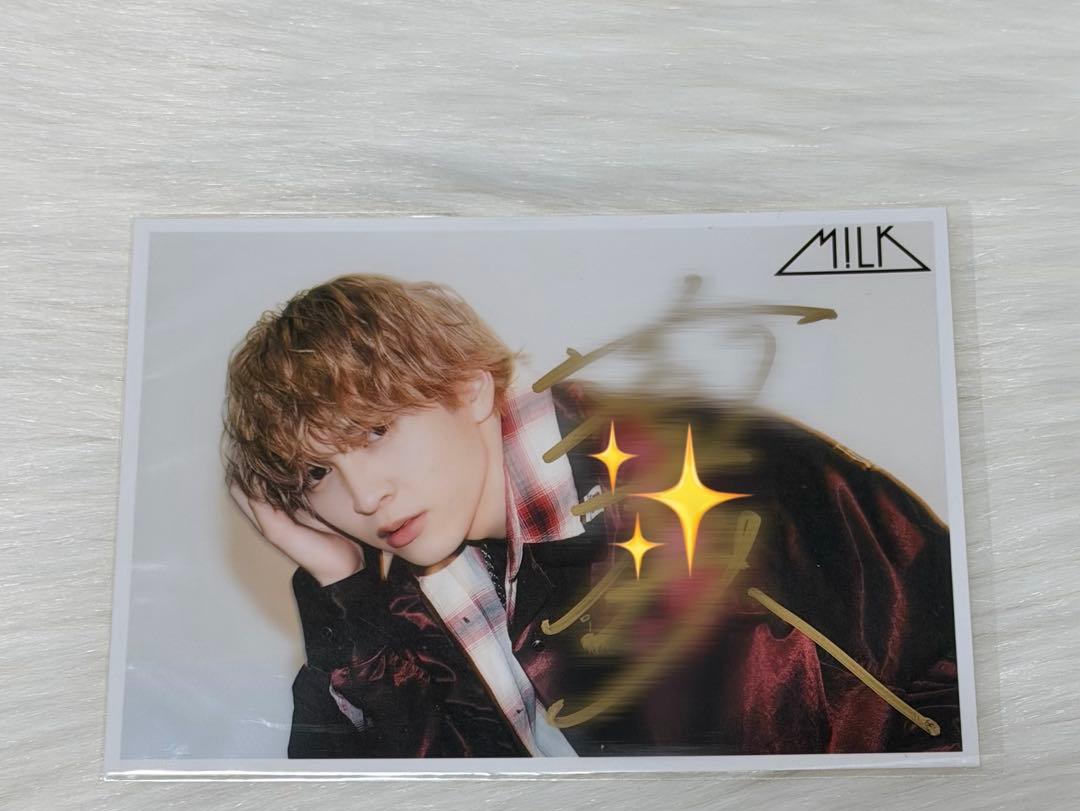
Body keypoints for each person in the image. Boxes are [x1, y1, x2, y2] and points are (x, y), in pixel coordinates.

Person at [222, 274, 963, 759]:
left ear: (469, 390)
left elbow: (947, 698)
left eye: (375, 432)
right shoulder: (419, 586)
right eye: (316, 472)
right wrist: (343, 595)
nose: (361, 496)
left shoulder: (686, 488)